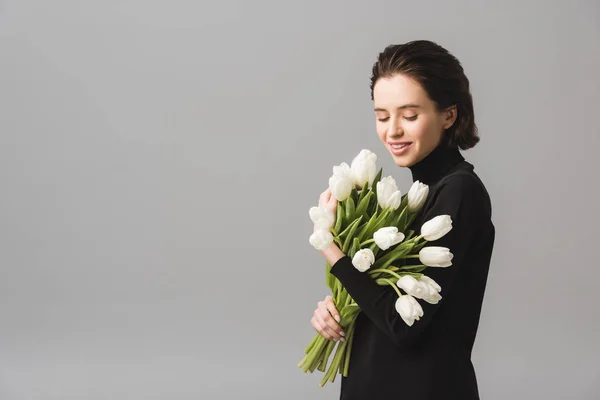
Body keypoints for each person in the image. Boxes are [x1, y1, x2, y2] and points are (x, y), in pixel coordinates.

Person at [310, 40, 495, 400]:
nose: (392, 131)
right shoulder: (407, 202)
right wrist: (335, 309)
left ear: (449, 115)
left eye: (409, 116)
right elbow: (380, 305)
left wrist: (331, 250)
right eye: (382, 116)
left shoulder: (460, 193)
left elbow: (403, 325)